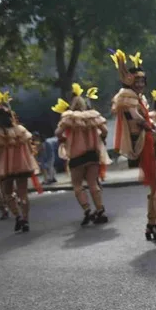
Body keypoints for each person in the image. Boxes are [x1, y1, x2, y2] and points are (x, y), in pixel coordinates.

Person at [111, 49, 156, 240]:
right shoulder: (128, 95)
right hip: (141, 144)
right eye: (136, 80)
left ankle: (153, 225)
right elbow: (134, 116)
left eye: (141, 81)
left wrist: (152, 125)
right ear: (128, 80)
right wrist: (149, 126)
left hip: (146, 142)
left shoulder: (137, 97)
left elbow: (141, 116)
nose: (139, 84)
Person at [52, 83, 110, 225]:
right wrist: (100, 139)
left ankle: (87, 209)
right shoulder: (92, 116)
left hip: (76, 156)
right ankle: (100, 208)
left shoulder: (69, 117)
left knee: (77, 184)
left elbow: (58, 133)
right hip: (92, 154)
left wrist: (65, 140)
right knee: (93, 183)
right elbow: (105, 131)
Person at [0, 101, 39, 232]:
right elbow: (29, 150)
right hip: (22, 165)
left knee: (8, 194)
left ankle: (18, 216)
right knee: (23, 195)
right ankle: (26, 220)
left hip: (5, 168)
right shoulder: (21, 131)